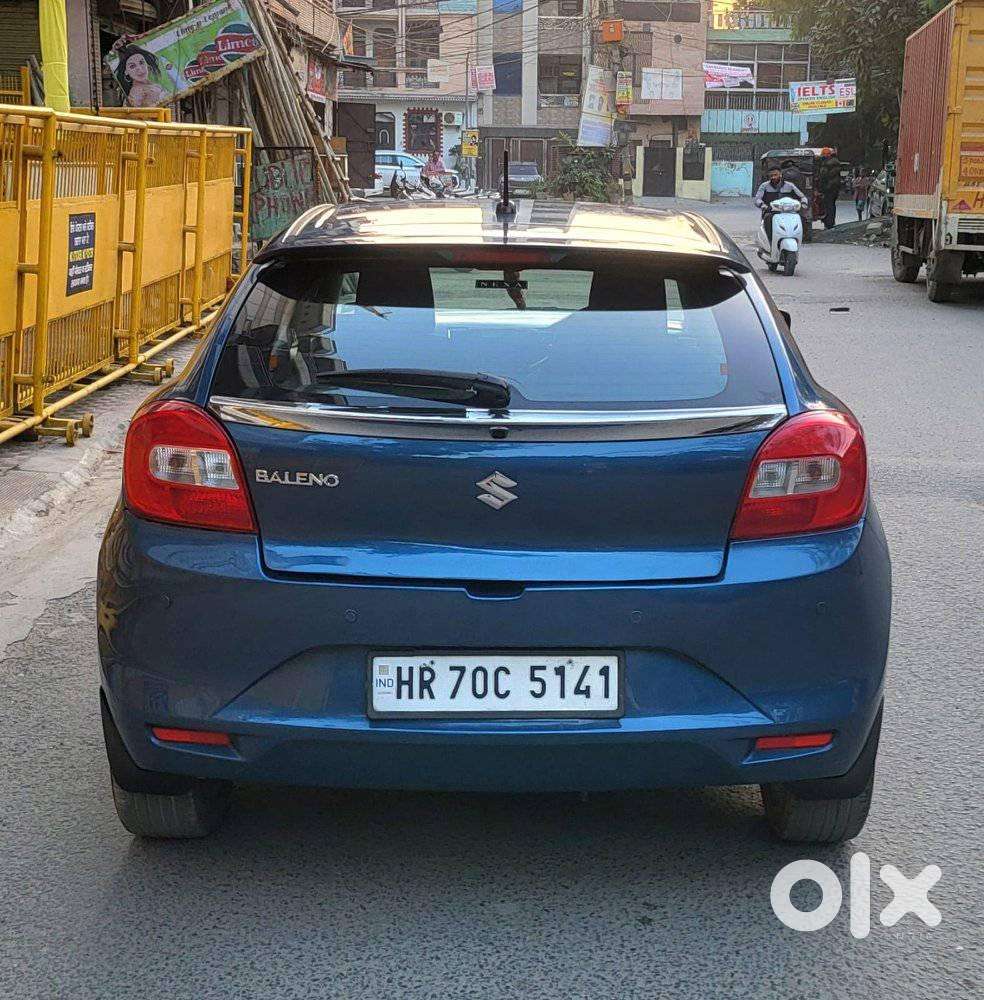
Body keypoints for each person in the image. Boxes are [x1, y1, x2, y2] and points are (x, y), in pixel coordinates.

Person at [754, 166, 808, 245]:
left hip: (789, 212)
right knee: (768, 219)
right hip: (772, 212)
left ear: (780, 175)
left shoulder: (789, 185)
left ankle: (799, 238)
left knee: (802, 218)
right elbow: (757, 199)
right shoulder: (764, 186)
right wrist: (763, 205)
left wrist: (803, 204)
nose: (773, 177)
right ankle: (770, 241)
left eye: (775, 175)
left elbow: (802, 196)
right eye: (771, 175)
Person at [817, 149, 843, 228]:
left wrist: (821, 187)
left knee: (828, 205)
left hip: (829, 188)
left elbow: (823, 176)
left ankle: (828, 223)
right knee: (831, 205)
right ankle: (830, 222)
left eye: (823, 155)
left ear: (826, 155)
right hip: (834, 188)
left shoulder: (827, 164)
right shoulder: (835, 162)